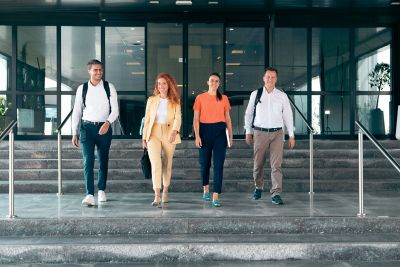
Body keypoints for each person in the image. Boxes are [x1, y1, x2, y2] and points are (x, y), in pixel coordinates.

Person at [71, 59, 119, 206]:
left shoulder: (108, 87)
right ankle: (90, 194)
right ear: (89, 71)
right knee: (88, 161)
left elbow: (115, 110)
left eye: (100, 70)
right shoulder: (82, 89)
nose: (99, 73)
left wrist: (107, 123)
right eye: (95, 70)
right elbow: (77, 111)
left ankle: (102, 190)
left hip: (104, 128)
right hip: (87, 128)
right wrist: (74, 132)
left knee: (103, 159)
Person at [244, 67, 295, 205]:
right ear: (263, 78)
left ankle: (276, 193)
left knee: (276, 165)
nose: (270, 79)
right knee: (258, 164)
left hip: (278, 133)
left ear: (276, 79)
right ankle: (258, 187)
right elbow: (248, 114)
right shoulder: (256, 94)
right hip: (260, 132)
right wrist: (248, 131)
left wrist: (291, 135)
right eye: (268, 77)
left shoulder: (282, 96)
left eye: (273, 77)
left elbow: (288, 115)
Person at [193, 72, 233, 207]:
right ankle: (206, 188)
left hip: (220, 133)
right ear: (207, 82)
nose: (214, 83)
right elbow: (195, 119)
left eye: (216, 81)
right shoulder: (200, 98)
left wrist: (231, 136)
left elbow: (227, 118)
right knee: (204, 164)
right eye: (212, 80)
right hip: (204, 131)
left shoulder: (224, 98)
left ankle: (216, 195)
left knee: (219, 164)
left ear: (219, 84)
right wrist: (197, 136)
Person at [142, 73, 182, 207]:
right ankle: (157, 195)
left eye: (164, 83)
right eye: (159, 84)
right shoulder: (151, 100)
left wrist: (174, 131)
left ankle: (166, 190)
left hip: (169, 132)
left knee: (167, 162)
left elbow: (178, 118)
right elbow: (147, 120)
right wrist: (144, 137)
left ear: (169, 85)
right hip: (153, 133)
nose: (161, 86)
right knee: (155, 163)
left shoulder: (175, 101)